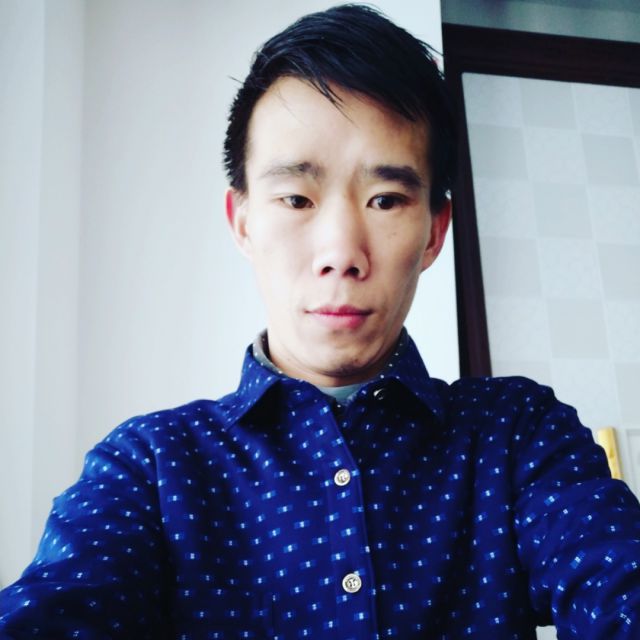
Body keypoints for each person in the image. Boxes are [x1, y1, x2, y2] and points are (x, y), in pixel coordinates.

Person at [1, 4, 639, 639]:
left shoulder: (518, 435)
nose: (340, 252)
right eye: (296, 198)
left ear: (433, 232)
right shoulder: (149, 466)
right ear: (243, 222)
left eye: (385, 199)